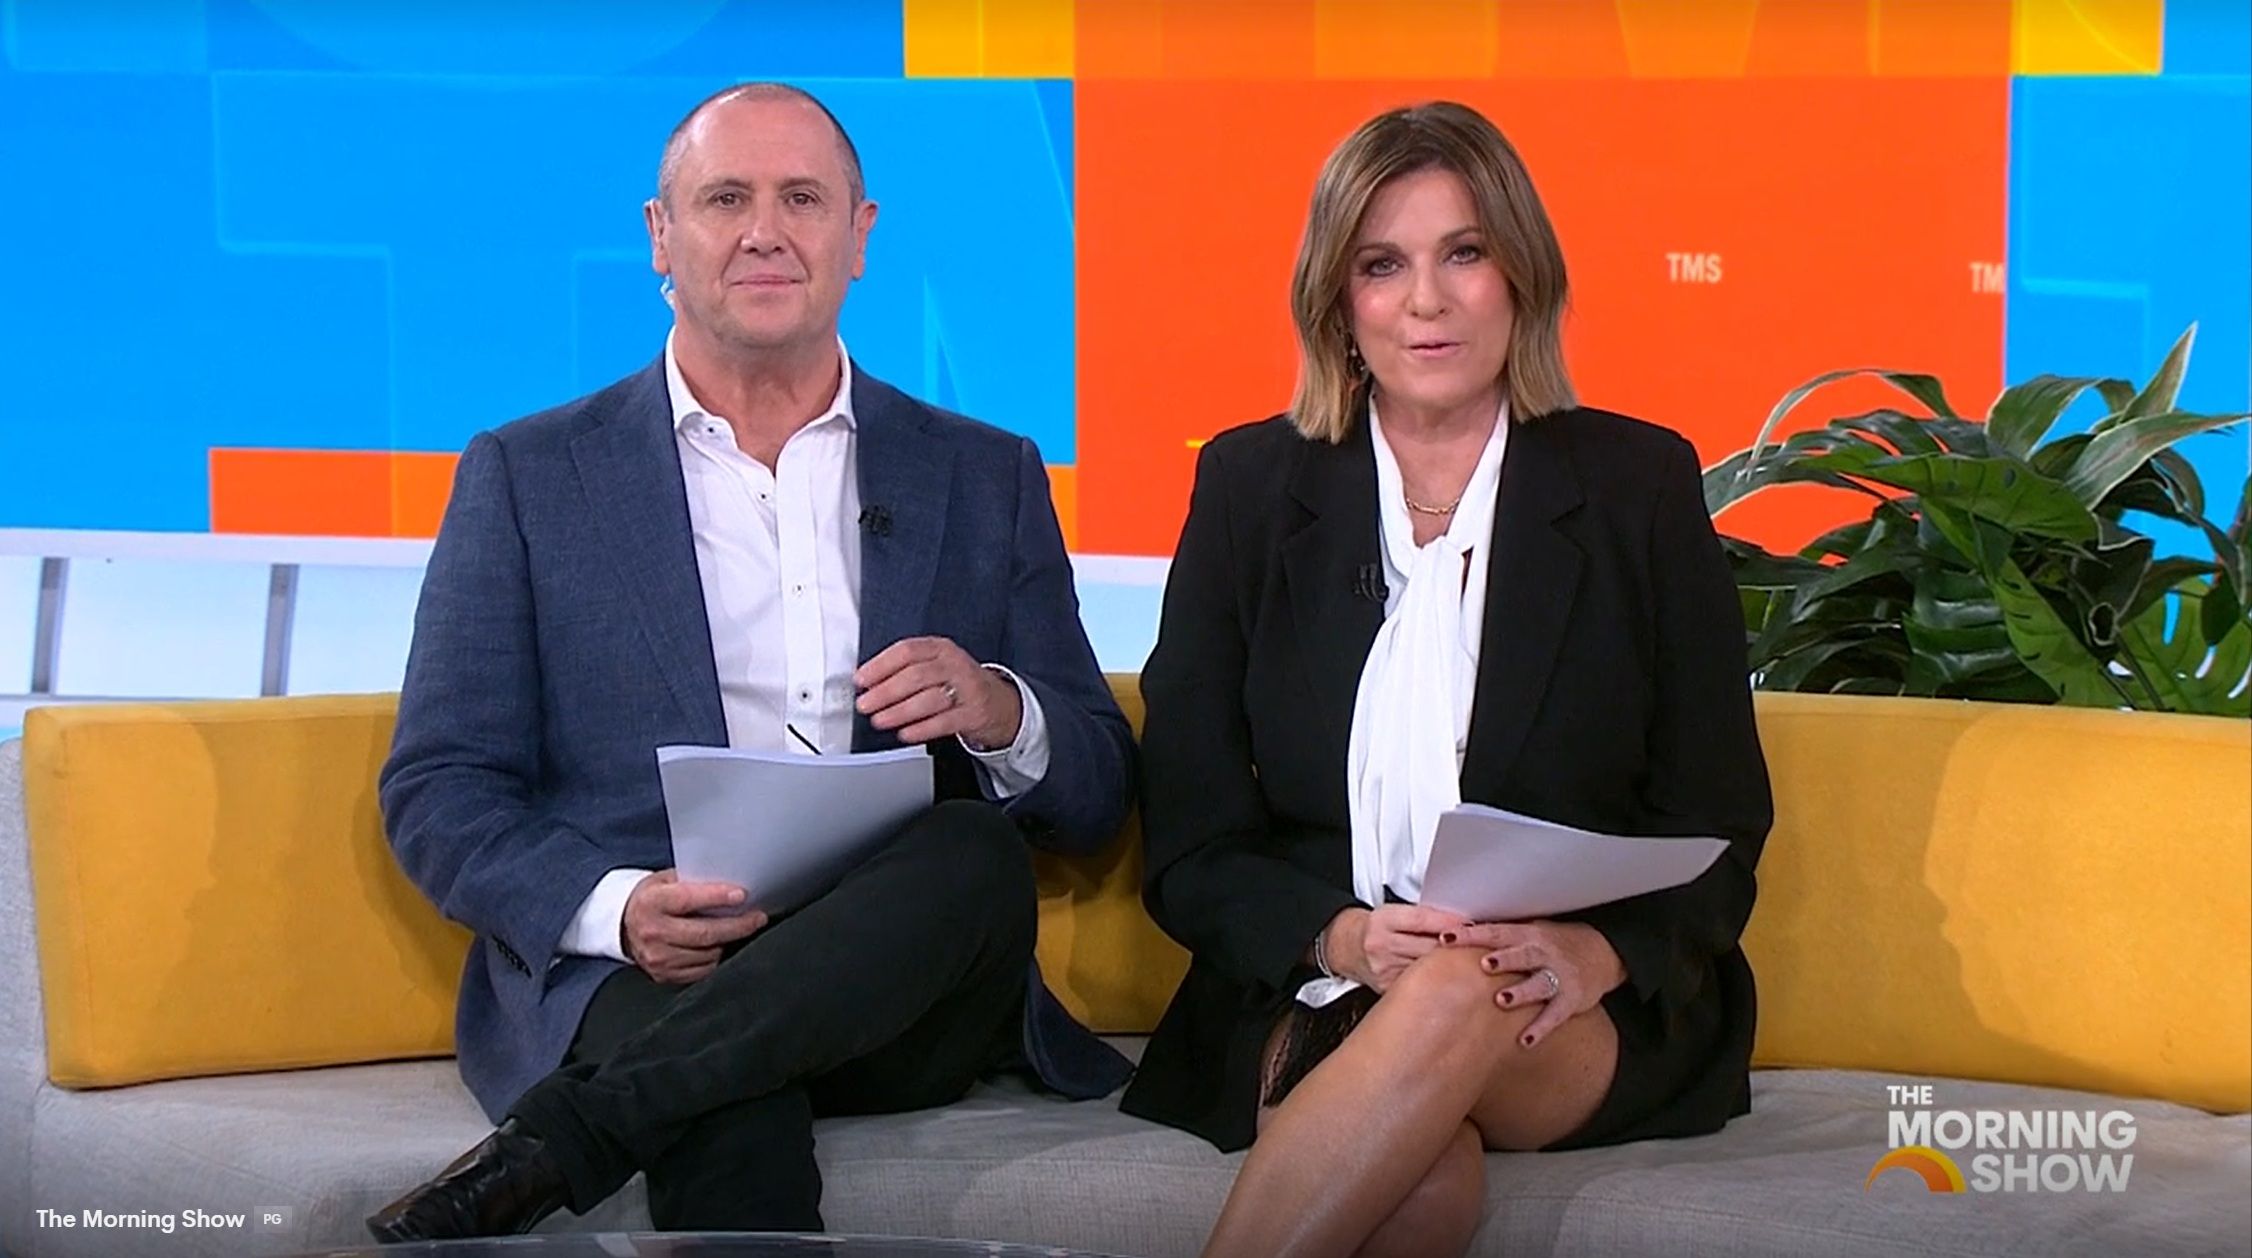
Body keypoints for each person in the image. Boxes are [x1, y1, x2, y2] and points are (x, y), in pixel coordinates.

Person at [366, 82, 1134, 1242]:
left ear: (858, 236)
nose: (765, 231)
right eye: (726, 198)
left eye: (802, 199)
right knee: (723, 1095)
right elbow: (439, 786)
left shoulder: (984, 473)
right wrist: (618, 909)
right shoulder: (529, 476)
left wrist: (997, 710)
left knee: (970, 848)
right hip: (644, 975)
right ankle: (626, 1101)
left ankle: (562, 1138)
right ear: (661, 235)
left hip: (898, 981)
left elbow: (1098, 786)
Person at [1116, 101, 1773, 1258]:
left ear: (1521, 275)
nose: (1426, 299)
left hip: (1568, 996)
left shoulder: (1635, 486)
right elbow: (1190, 836)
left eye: (1462, 253)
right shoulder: (1248, 489)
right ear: (1338, 302)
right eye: (1382, 264)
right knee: (1417, 1193)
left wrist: (1595, 952)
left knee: (1462, 981)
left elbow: (1716, 814)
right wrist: (1342, 940)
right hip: (1314, 976)